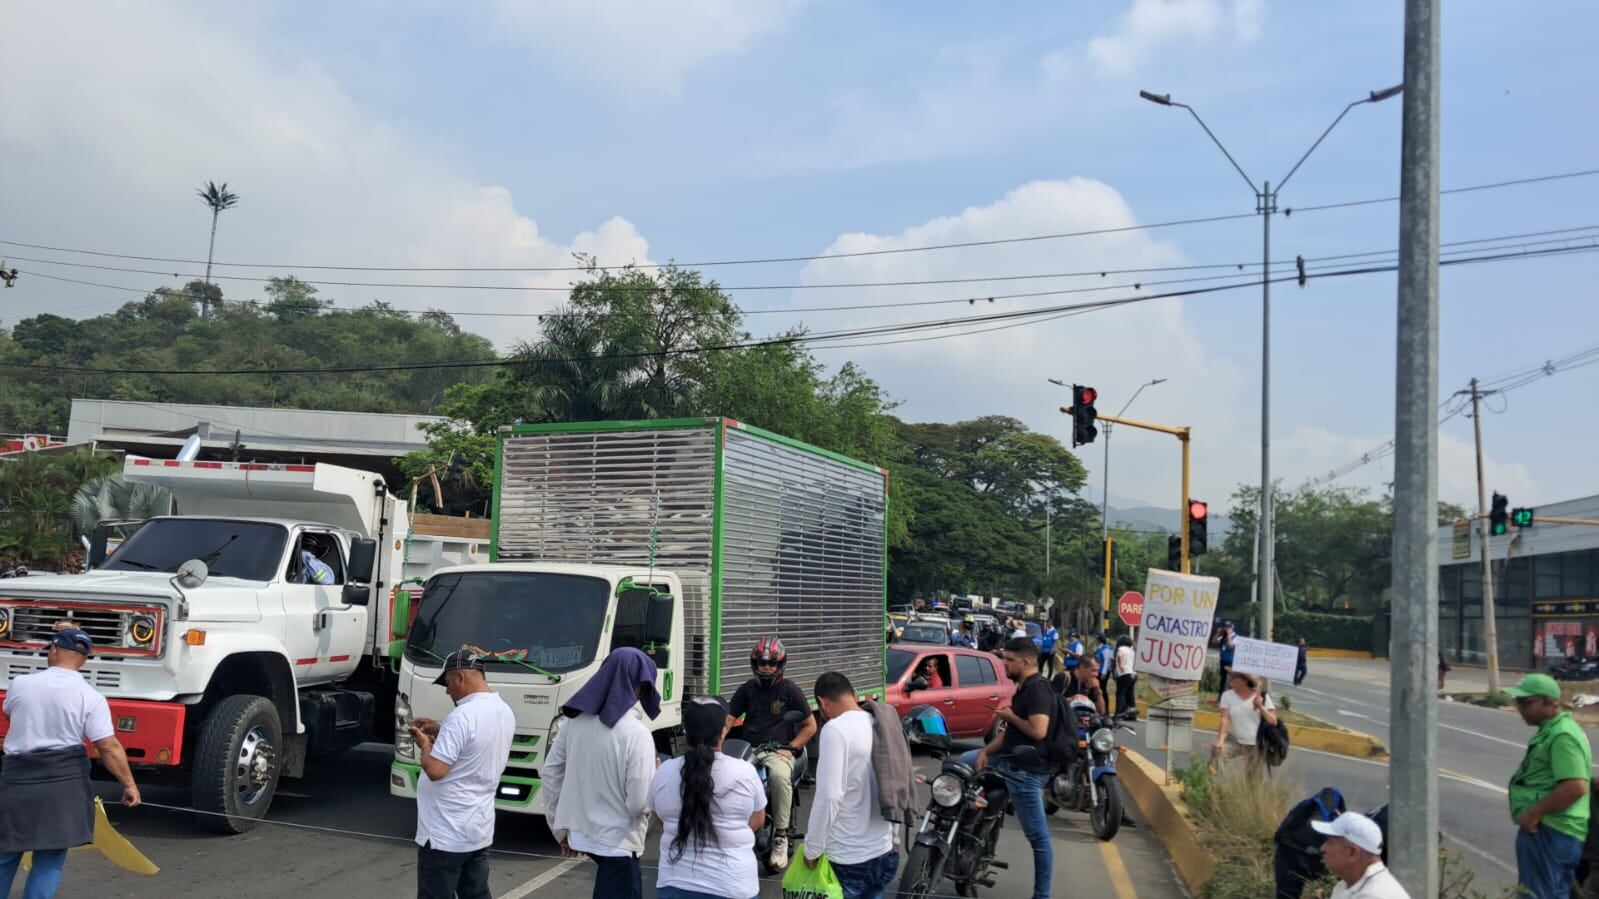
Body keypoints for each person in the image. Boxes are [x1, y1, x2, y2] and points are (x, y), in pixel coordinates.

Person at [0, 627, 140, 899]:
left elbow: (10, 716)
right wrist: (129, 785)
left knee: (5, 853)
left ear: (53, 650)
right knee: (49, 856)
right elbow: (107, 747)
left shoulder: (21, 684)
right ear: (83, 660)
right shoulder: (91, 697)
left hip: (17, 781)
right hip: (63, 785)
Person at [543, 647, 662, 899]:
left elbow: (551, 774)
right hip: (619, 844)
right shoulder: (637, 734)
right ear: (639, 686)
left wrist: (560, 829)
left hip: (579, 834)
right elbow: (638, 804)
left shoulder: (572, 723)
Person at [408, 648, 516, 899]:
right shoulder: (503, 711)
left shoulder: (461, 717)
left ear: (460, 678)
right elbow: (474, 744)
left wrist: (425, 745)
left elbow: (436, 770)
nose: (447, 691)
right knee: (476, 894)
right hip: (477, 830)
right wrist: (441, 730)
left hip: (445, 833)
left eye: (447, 683)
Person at [958, 638, 1056, 899]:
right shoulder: (1024, 688)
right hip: (1006, 757)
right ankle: (964, 825)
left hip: (1024, 770)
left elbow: (1038, 731)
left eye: (1010, 660)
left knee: (1039, 838)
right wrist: (985, 751)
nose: (1004, 664)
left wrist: (1010, 716)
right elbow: (1012, 733)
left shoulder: (1037, 691)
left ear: (1026, 662)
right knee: (960, 763)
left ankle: (1042, 895)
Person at [649, 696, 765, 899]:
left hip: (675, 885)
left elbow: (659, 816)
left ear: (686, 732)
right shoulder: (745, 772)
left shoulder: (664, 771)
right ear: (723, 731)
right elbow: (757, 820)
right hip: (733, 886)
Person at [804, 672, 897, 899]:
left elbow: (829, 796)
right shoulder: (880, 722)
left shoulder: (835, 729)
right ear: (854, 695)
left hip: (849, 856)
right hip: (883, 850)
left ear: (822, 702)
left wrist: (812, 848)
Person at [727, 636, 816, 873]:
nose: (766, 667)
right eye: (762, 663)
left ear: (780, 664)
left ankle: (780, 836)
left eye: (771, 663)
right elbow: (728, 719)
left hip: (777, 750)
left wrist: (791, 747)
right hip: (749, 749)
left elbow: (810, 726)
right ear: (754, 664)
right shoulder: (747, 689)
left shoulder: (790, 690)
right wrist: (715, 744)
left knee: (778, 776)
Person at [1504, 673, 1592, 898]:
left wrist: (1533, 813)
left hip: (1550, 831)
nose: (1519, 708)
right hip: (1556, 831)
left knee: (1536, 895)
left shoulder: (1562, 736)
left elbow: (1575, 787)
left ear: (1550, 702)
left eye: (1525, 702)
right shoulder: (1554, 731)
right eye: (1517, 702)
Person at [1311, 812, 1410, 898]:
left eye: (1329, 842)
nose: (1322, 848)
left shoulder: (1375, 895)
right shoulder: (1347, 884)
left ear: (1352, 852)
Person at [1213, 671, 1277, 778]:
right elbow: (1225, 719)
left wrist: (1260, 707)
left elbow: (1273, 721)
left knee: (1253, 779)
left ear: (1245, 680)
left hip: (1256, 744)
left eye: (1235, 676)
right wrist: (1220, 740)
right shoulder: (1227, 696)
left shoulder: (1262, 697)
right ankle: (1211, 785)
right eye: (1231, 675)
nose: (1231, 678)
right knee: (1217, 758)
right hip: (1235, 739)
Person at [1114, 634, 1138, 717]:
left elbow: (1119, 655)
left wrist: (1120, 665)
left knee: (1120, 693)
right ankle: (1132, 713)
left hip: (1124, 673)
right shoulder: (1132, 650)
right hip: (1133, 674)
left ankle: (1118, 713)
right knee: (1130, 694)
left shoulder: (1121, 648)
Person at [1216, 624, 1236, 699]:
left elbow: (1231, 646)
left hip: (1231, 661)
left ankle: (1231, 697)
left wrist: (1229, 636)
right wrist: (1218, 633)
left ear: (1232, 629)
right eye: (1225, 627)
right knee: (1222, 680)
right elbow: (1214, 641)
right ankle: (1220, 697)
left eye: (1228, 627)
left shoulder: (1235, 637)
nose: (1226, 629)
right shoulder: (1223, 637)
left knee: (1231, 680)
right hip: (1223, 660)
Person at [1094, 633, 1115, 699]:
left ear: (1099, 640)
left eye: (1096, 639)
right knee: (1099, 688)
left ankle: (1105, 704)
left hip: (1103, 671)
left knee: (1102, 688)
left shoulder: (1105, 648)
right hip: (1099, 670)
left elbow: (1106, 661)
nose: (1095, 640)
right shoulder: (1099, 648)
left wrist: (1103, 673)